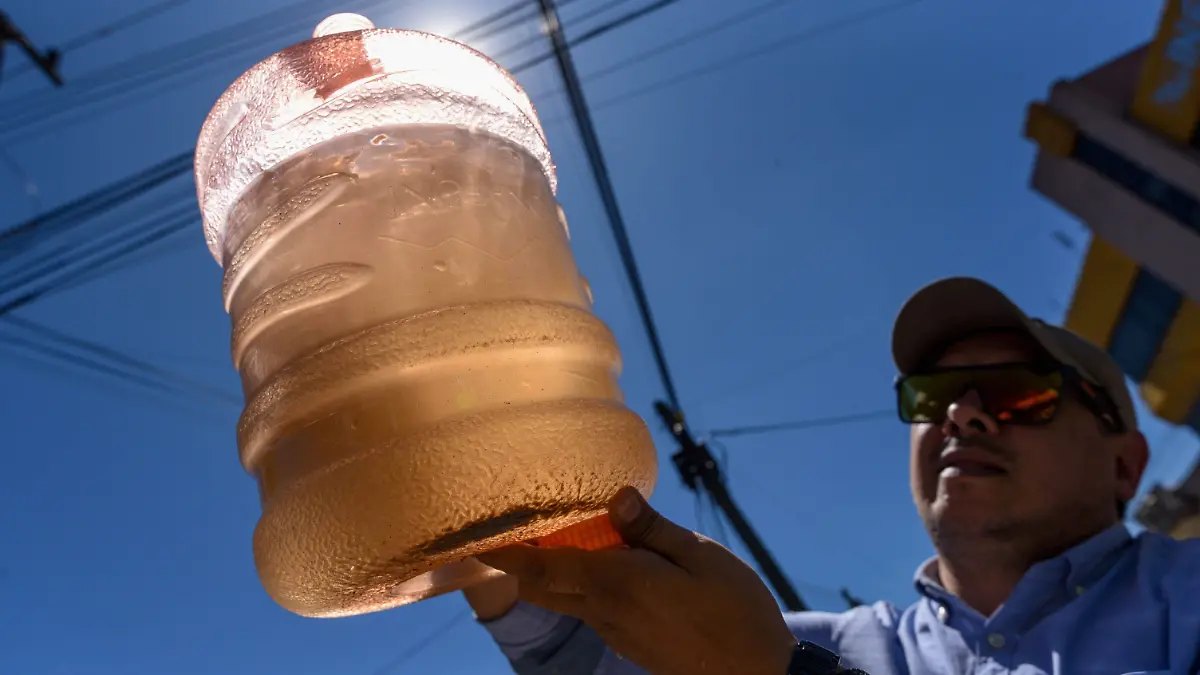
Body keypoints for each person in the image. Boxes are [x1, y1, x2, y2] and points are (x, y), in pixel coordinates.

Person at [463, 276, 1200, 675]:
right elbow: (589, 661)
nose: (964, 417)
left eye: (1018, 393)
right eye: (932, 398)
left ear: (1126, 462)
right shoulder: (819, 642)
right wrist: (471, 511)